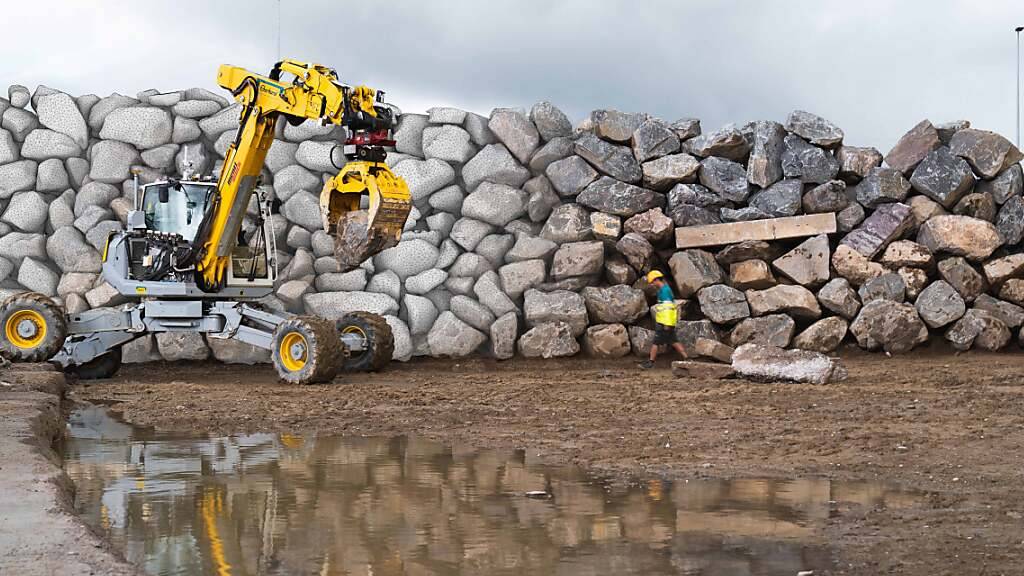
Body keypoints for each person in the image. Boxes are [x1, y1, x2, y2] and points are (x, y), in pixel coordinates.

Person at [639, 270, 687, 369]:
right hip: (665, 321)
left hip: (664, 322)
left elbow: (668, 309)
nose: (652, 284)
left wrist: (667, 324)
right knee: (673, 340)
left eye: (652, 282)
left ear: (657, 280)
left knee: (656, 342)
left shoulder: (664, 292)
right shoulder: (664, 290)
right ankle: (688, 358)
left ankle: (650, 363)